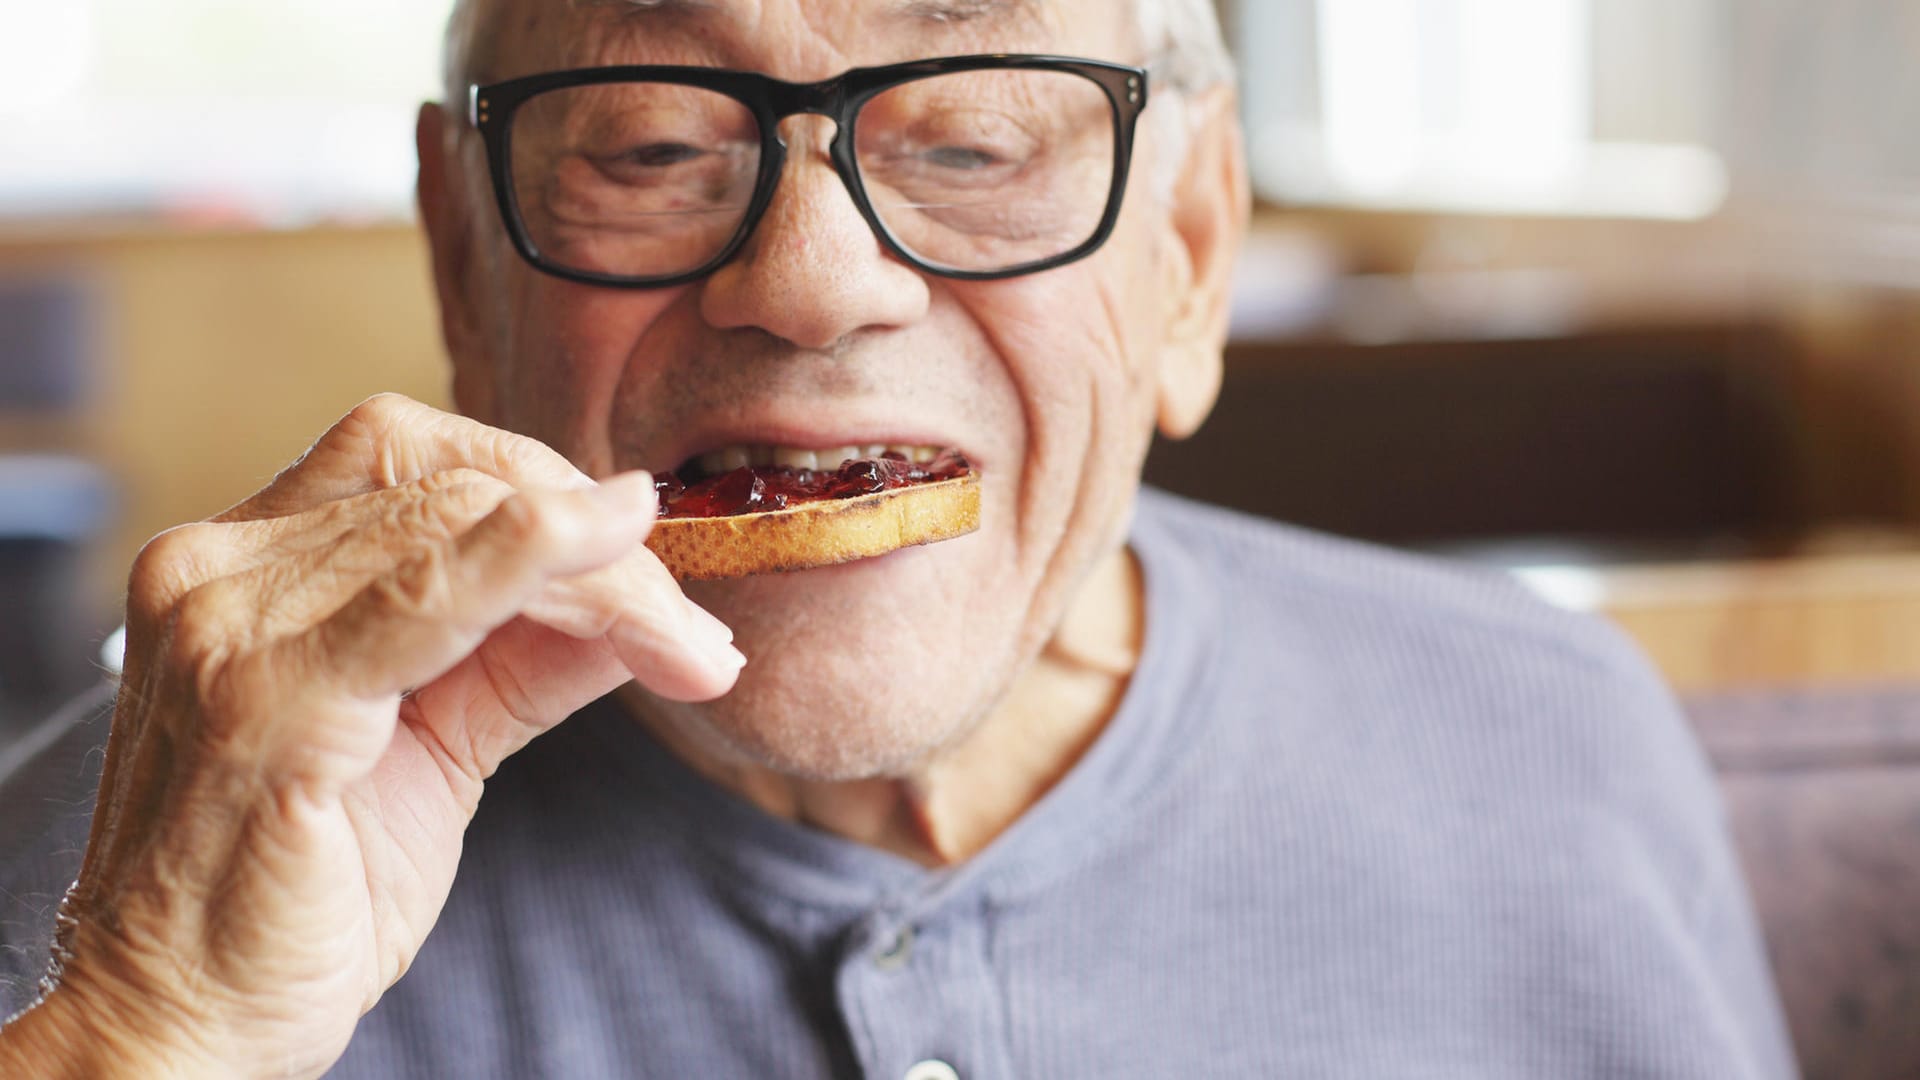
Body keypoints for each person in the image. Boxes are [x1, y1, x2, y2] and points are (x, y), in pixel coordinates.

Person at [0, 1, 1797, 1076]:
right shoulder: (139, 869)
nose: (807, 280)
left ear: (1189, 251)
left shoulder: (1554, 752)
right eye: (646, 145)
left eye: (975, 138)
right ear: (465, 263)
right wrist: (154, 1026)